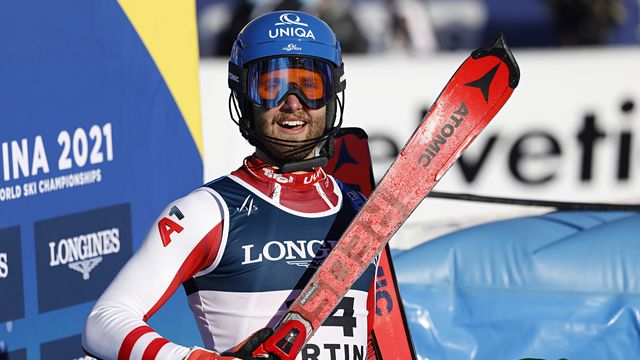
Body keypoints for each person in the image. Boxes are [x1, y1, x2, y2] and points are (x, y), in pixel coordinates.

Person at [83, 10, 379, 360]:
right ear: (244, 97)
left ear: (333, 94)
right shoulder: (208, 212)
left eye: (311, 85)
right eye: (272, 86)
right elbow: (103, 323)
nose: (293, 102)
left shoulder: (362, 208)